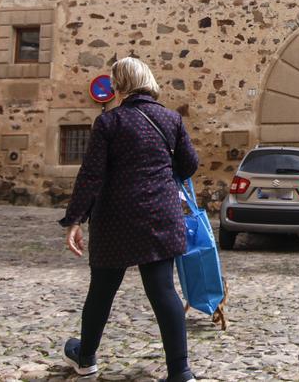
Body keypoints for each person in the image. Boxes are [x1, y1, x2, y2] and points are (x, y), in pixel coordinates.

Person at [58, 57, 200, 381]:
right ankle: (181, 372)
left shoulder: (110, 123)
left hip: (116, 218)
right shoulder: (171, 119)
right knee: (164, 290)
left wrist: (74, 220)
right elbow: (190, 165)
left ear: (118, 86)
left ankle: (87, 358)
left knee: (102, 290)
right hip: (161, 215)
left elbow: (91, 175)